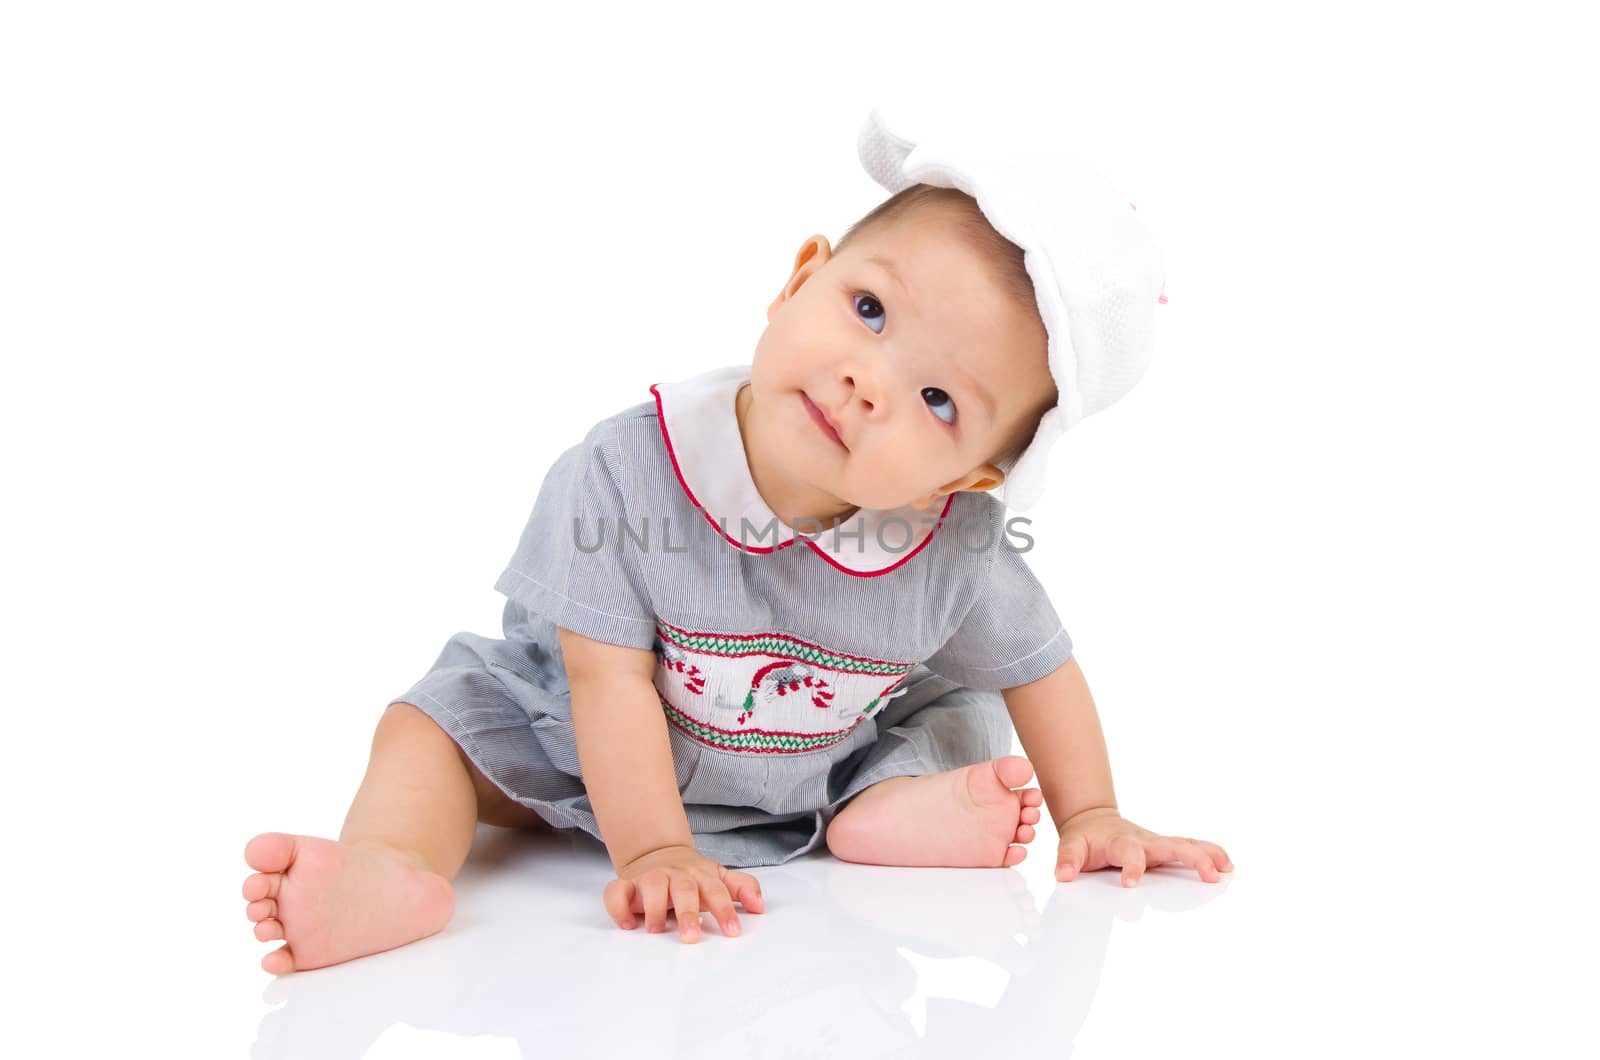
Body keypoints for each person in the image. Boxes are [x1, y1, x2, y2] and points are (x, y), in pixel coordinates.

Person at [241, 132, 1232, 974]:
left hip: (820, 762)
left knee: (961, 719)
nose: (867, 381)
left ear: (963, 482)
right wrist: (656, 846)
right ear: (800, 277)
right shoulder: (629, 470)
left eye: (938, 401)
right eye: (869, 311)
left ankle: (883, 817)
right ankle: (390, 868)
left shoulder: (952, 543)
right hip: (582, 751)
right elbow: (604, 681)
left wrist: (1092, 810)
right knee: (431, 730)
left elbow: (1038, 667)